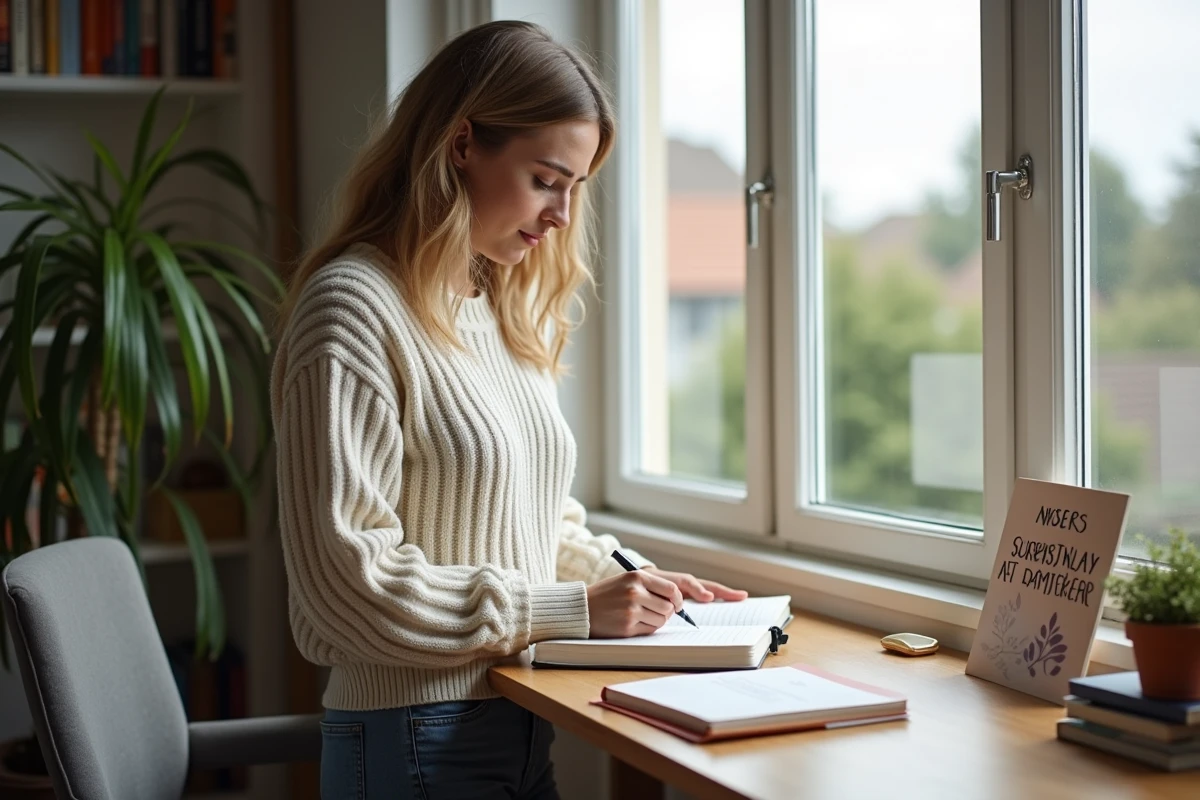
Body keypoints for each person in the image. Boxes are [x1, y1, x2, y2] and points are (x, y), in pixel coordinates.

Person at [270, 20, 748, 800]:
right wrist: (572, 609)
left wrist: (628, 582)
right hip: (413, 736)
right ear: (462, 145)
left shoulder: (487, 304)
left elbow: (529, 514)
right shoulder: (351, 311)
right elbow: (345, 584)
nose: (562, 214)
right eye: (546, 179)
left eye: (575, 188)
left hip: (509, 720)